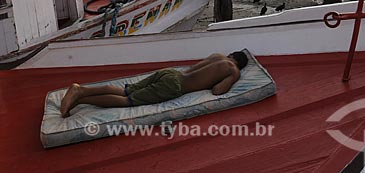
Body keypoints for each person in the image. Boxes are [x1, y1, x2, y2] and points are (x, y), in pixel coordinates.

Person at [60, 51, 248, 117]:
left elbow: (196, 69)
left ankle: (81, 90)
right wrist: (232, 79)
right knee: (128, 101)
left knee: (125, 90)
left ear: (231, 54)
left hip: (171, 73)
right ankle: (82, 98)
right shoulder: (233, 70)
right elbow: (217, 91)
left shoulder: (217, 55)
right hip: (176, 86)